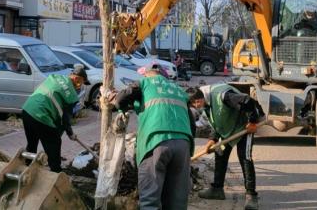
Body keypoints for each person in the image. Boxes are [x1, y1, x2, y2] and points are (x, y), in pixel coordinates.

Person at [108, 63, 196, 210]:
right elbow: (192, 124)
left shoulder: (143, 83)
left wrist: (117, 102)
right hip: (183, 145)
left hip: (155, 143)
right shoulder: (178, 89)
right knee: (177, 201)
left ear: (147, 74)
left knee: (150, 201)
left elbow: (119, 100)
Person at [186, 84, 264, 210]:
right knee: (219, 152)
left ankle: (251, 195)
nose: (196, 106)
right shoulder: (206, 104)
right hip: (229, 129)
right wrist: (213, 139)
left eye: (196, 103)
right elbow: (216, 121)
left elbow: (247, 100)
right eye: (192, 105)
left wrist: (252, 121)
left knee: (245, 158)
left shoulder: (223, 96)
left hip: (245, 126)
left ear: (199, 99)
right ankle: (217, 189)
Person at [21, 64, 90, 172]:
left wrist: (59, 131)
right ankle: (56, 171)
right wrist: (70, 133)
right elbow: (65, 120)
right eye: (81, 82)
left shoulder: (55, 77)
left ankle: (27, 165)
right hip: (41, 116)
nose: (80, 86)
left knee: (32, 142)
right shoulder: (71, 95)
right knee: (54, 143)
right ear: (76, 78)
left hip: (27, 110)